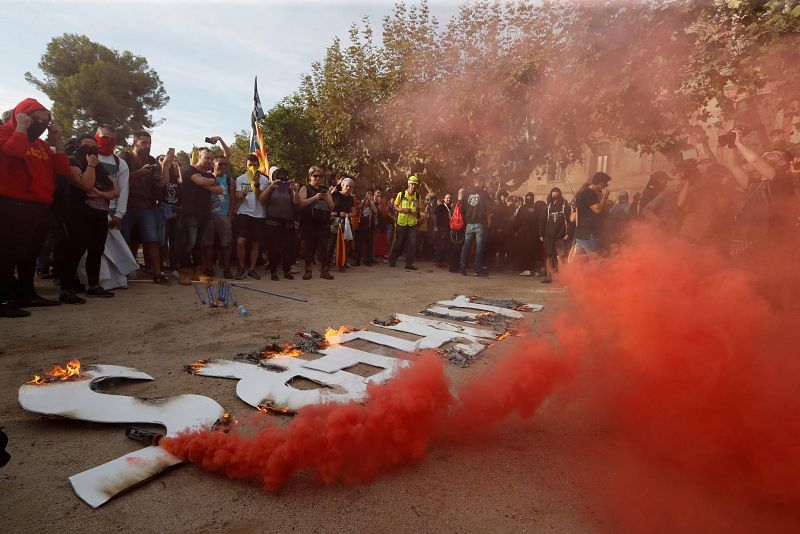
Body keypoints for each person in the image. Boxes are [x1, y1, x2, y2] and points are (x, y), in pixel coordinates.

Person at [0, 98, 70, 317]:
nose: (39, 123)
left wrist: (57, 141)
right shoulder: (4, 133)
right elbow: (14, 152)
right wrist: (20, 128)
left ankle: (27, 293)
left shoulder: (42, 146)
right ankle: (2, 299)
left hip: (39, 205)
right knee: (6, 253)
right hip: (11, 203)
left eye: (45, 120)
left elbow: (63, 169)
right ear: (21, 115)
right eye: (35, 118)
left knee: (30, 253)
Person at [58, 134, 120, 302]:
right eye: (87, 146)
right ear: (78, 146)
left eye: (94, 146)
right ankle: (66, 289)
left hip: (100, 214)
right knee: (75, 251)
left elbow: (115, 190)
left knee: (96, 250)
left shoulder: (99, 166)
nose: (91, 149)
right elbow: (85, 185)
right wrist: (91, 166)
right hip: (78, 213)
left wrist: (100, 193)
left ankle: (94, 286)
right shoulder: (72, 161)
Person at [119, 131, 172, 285]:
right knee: (123, 240)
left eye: (149, 143)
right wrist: (138, 173)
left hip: (146, 206)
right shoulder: (124, 158)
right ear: (135, 142)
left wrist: (162, 178)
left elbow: (158, 183)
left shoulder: (151, 160)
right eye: (144, 143)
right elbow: (118, 179)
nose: (147, 146)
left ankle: (157, 274)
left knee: (152, 240)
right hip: (126, 205)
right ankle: (122, 273)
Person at [179, 147, 223, 285]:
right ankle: (183, 271)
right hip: (189, 213)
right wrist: (207, 182)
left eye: (211, 159)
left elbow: (220, 189)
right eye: (206, 158)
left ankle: (197, 272)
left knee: (199, 244)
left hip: (204, 213)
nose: (209, 161)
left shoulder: (210, 175)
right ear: (199, 156)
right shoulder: (189, 170)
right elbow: (203, 182)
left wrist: (204, 182)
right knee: (189, 242)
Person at [296, 166, 334, 280]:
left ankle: (325, 270)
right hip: (309, 222)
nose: (317, 178)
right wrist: (315, 198)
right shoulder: (305, 188)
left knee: (324, 248)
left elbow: (332, 206)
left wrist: (326, 197)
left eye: (320, 176)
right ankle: (308, 270)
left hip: (322, 222)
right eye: (315, 176)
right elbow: (301, 203)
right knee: (309, 248)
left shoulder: (325, 190)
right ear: (310, 177)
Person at [233, 155, 268, 280]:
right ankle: (241, 267)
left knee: (255, 244)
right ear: (246, 165)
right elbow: (239, 197)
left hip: (259, 214)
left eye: (254, 165)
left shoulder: (264, 180)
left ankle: (252, 269)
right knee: (240, 241)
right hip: (244, 213)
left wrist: (257, 185)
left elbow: (262, 198)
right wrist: (245, 190)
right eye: (250, 165)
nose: (252, 167)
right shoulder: (240, 179)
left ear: (258, 165)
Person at [200, 153, 235, 278]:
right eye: (220, 164)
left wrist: (230, 214)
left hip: (223, 215)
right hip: (208, 215)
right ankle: (209, 268)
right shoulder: (205, 178)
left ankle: (226, 269)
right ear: (213, 164)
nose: (223, 166)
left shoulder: (229, 180)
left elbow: (232, 198)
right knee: (208, 243)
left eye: (225, 164)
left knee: (227, 243)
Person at [262, 166, 297, 281]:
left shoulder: (287, 187)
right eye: (277, 174)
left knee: (287, 248)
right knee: (273, 249)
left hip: (287, 223)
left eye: (282, 174)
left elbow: (297, 203)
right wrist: (271, 186)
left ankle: (287, 271)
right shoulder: (270, 186)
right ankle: (273, 272)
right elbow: (261, 199)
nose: (280, 176)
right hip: (272, 222)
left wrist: (294, 189)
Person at [459, 174, 494, 277]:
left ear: (475, 182)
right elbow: (490, 207)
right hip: (480, 223)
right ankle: (477, 270)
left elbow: (462, 210)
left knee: (466, 247)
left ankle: (462, 269)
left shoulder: (466, 193)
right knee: (479, 248)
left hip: (469, 223)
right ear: (482, 182)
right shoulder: (484, 193)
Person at [539, 187, 573, 283]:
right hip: (549, 236)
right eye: (553, 196)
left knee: (561, 257)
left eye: (556, 196)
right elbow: (542, 221)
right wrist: (541, 233)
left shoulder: (565, 207)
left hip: (561, 236)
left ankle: (563, 277)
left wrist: (568, 233)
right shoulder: (547, 208)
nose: (555, 197)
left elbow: (571, 221)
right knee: (549, 256)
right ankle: (549, 276)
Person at [573, 172, 612, 256]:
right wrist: (605, 196)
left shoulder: (584, 192)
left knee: (580, 262)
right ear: (601, 182)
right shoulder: (589, 193)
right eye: (605, 184)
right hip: (587, 234)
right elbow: (597, 210)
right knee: (595, 261)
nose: (606, 186)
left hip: (581, 233)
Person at [389, 175, 422, 270]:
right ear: (408, 184)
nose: (413, 186)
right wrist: (403, 209)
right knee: (399, 243)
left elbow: (419, 208)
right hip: (401, 222)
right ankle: (393, 260)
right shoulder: (401, 194)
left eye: (415, 184)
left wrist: (416, 212)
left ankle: (409, 264)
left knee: (412, 243)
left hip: (412, 223)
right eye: (412, 184)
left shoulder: (418, 196)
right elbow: (395, 206)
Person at [329, 177, 357, 271]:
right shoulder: (335, 194)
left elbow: (354, 212)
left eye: (350, 186)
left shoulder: (350, 199)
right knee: (331, 243)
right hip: (333, 222)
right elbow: (328, 207)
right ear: (342, 186)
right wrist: (336, 213)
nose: (348, 188)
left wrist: (347, 214)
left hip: (345, 222)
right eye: (347, 186)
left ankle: (342, 264)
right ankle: (327, 264)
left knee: (344, 244)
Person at [356, 187, 378, 266]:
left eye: (371, 194)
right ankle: (357, 260)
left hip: (370, 227)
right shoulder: (362, 201)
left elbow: (376, 211)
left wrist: (371, 202)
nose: (370, 195)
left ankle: (368, 261)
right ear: (365, 193)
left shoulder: (373, 203)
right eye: (368, 193)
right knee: (359, 244)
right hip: (361, 226)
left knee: (369, 244)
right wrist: (363, 202)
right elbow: (357, 209)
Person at [433, 192, 453, 269]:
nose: (448, 199)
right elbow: (435, 215)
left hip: (448, 228)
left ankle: (443, 262)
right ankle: (437, 262)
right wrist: (435, 226)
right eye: (447, 198)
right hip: (441, 228)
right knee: (440, 245)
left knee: (446, 246)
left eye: (449, 198)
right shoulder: (440, 206)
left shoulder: (450, 208)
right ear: (444, 199)